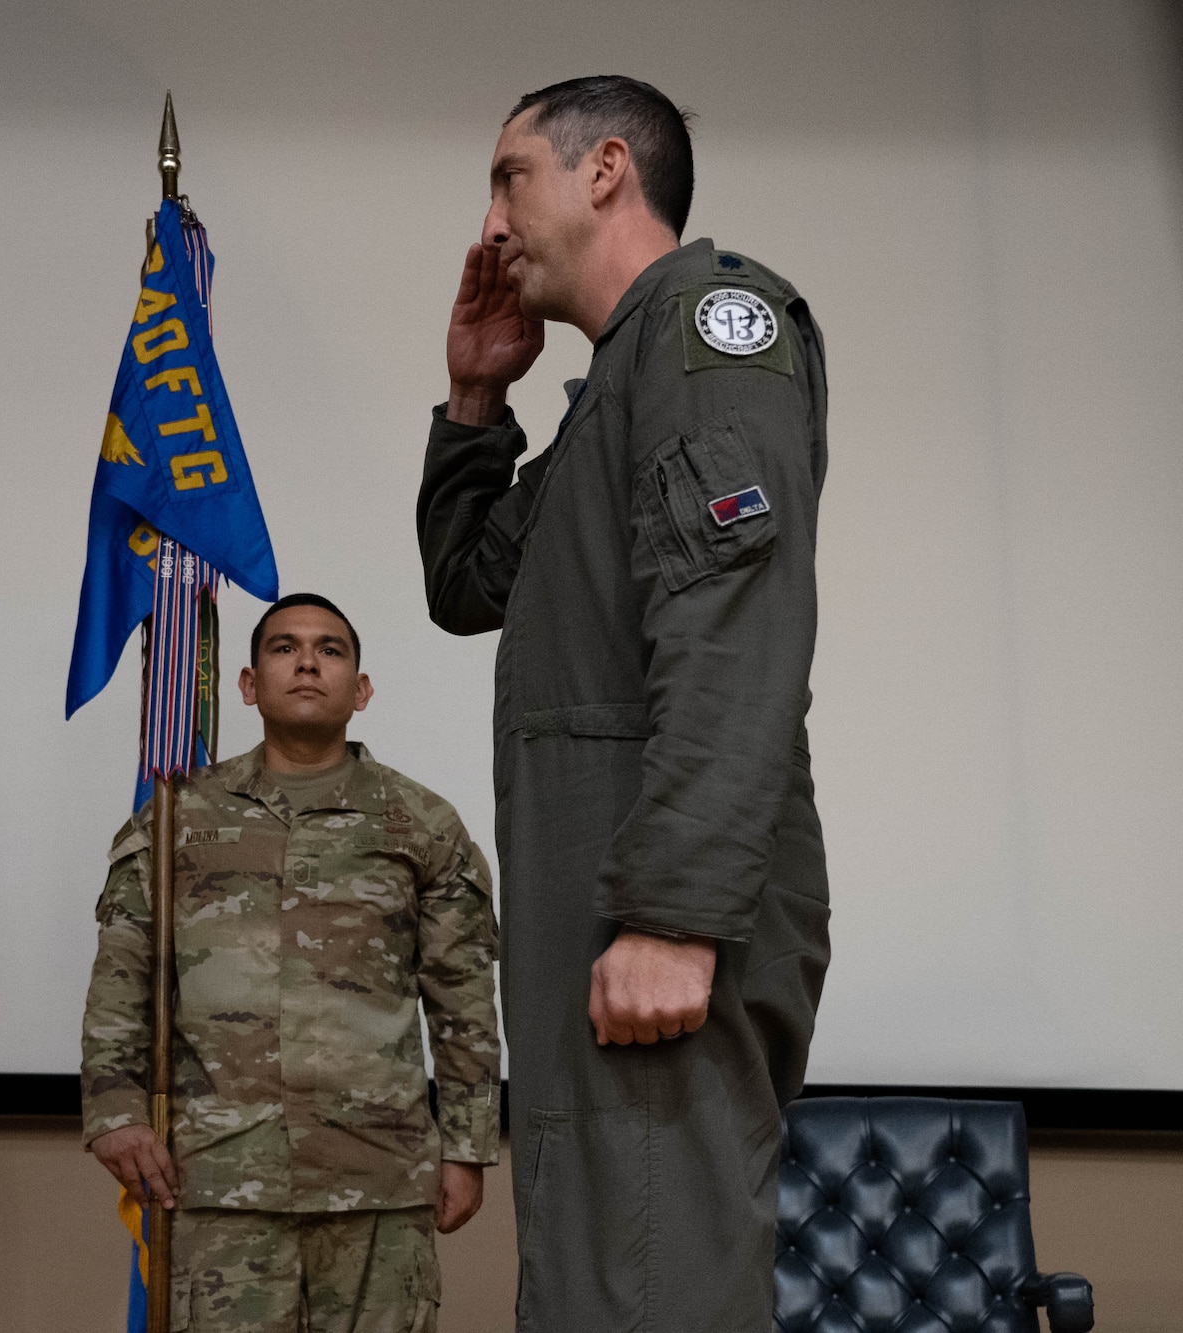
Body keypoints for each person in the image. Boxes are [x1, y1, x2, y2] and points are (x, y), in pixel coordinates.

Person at [416, 76, 832, 1330]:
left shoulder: (710, 326)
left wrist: (672, 914)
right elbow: (465, 585)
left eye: (507, 180)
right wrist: (476, 401)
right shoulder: (608, 385)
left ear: (603, 170)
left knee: (647, 1281)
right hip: (599, 899)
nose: (489, 224)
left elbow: (733, 627)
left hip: (657, 910)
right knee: (599, 1274)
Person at [81, 594, 503, 1333]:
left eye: (331, 649)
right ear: (247, 683)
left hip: (379, 1179)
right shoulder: (180, 815)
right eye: (284, 647)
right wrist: (115, 1111)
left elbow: (463, 998)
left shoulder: (421, 823)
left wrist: (467, 1147)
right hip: (219, 1179)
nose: (308, 661)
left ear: (361, 689)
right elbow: (124, 972)